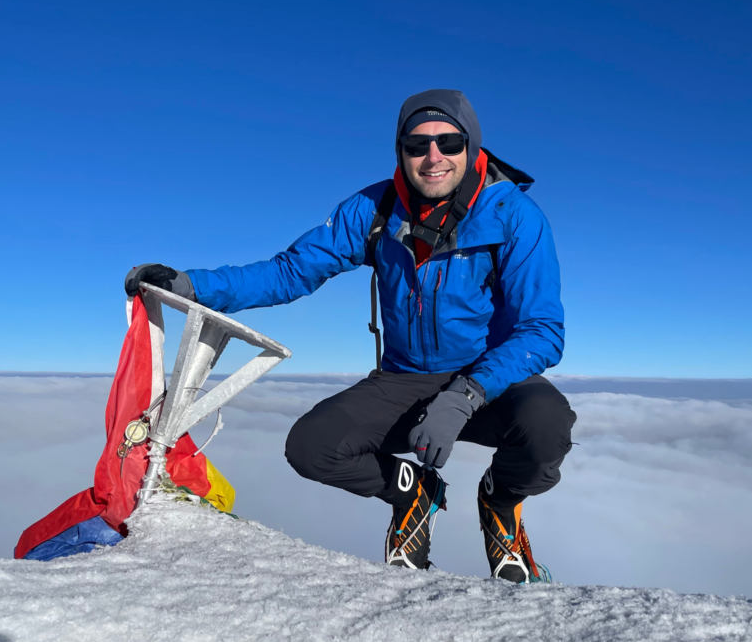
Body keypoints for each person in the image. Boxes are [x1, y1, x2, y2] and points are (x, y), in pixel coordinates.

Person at [125, 89, 576, 582]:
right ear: (400, 150)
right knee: (312, 447)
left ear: (471, 147)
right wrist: (194, 286)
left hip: (489, 379)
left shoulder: (513, 215)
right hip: (405, 379)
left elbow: (542, 331)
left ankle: (501, 500)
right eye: (416, 144)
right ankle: (412, 492)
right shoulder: (376, 209)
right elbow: (290, 272)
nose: (433, 157)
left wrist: (465, 395)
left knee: (546, 424)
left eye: (449, 142)